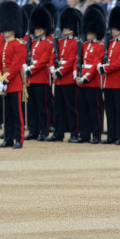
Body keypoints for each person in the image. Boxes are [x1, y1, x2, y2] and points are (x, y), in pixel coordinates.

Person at [98, 6, 120, 145]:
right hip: (108, 82)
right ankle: (111, 135)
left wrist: (104, 67)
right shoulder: (109, 43)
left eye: (115, 28)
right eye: (112, 28)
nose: (112, 30)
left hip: (119, 81)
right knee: (110, 110)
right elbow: (102, 56)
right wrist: (100, 64)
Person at [46, 8, 81, 143]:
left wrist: (59, 72)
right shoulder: (59, 42)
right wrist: (53, 70)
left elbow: (73, 59)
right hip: (58, 80)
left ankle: (74, 132)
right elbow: (52, 57)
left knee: (72, 108)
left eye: (67, 27)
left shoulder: (76, 42)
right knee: (58, 108)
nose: (65, 29)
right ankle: (58, 133)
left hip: (68, 80)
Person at [0, 1, 26, 149]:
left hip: (14, 82)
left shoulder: (19, 44)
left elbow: (15, 65)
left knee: (16, 112)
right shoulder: (1, 44)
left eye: (8, 29)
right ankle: (7, 139)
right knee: (6, 113)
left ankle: (19, 139)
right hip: (3, 82)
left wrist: (5, 78)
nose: (5, 32)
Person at [75, 7, 105, 144]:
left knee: (95, 110)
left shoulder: (99, 46)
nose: (87, 34)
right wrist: (76, 75)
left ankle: (96, 134)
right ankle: (84, 134)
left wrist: (85, 78)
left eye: (90, 32)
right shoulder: (84, 45)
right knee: (83, 109)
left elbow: (95, 64)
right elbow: (78, 61)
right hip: (81, 80)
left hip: (92, 82)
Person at [24, 6, 54, 142]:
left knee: (43, 107)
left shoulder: (48, 43)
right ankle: (33, 130)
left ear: (44, 29)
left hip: (41, 78)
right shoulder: (33, 42)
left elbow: (43, 61)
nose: (36, 31)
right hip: (31, 79)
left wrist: (31, 68)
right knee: (32, 107)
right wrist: (25, 66)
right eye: (35, 28)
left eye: (39, 28)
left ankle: (44, 130)